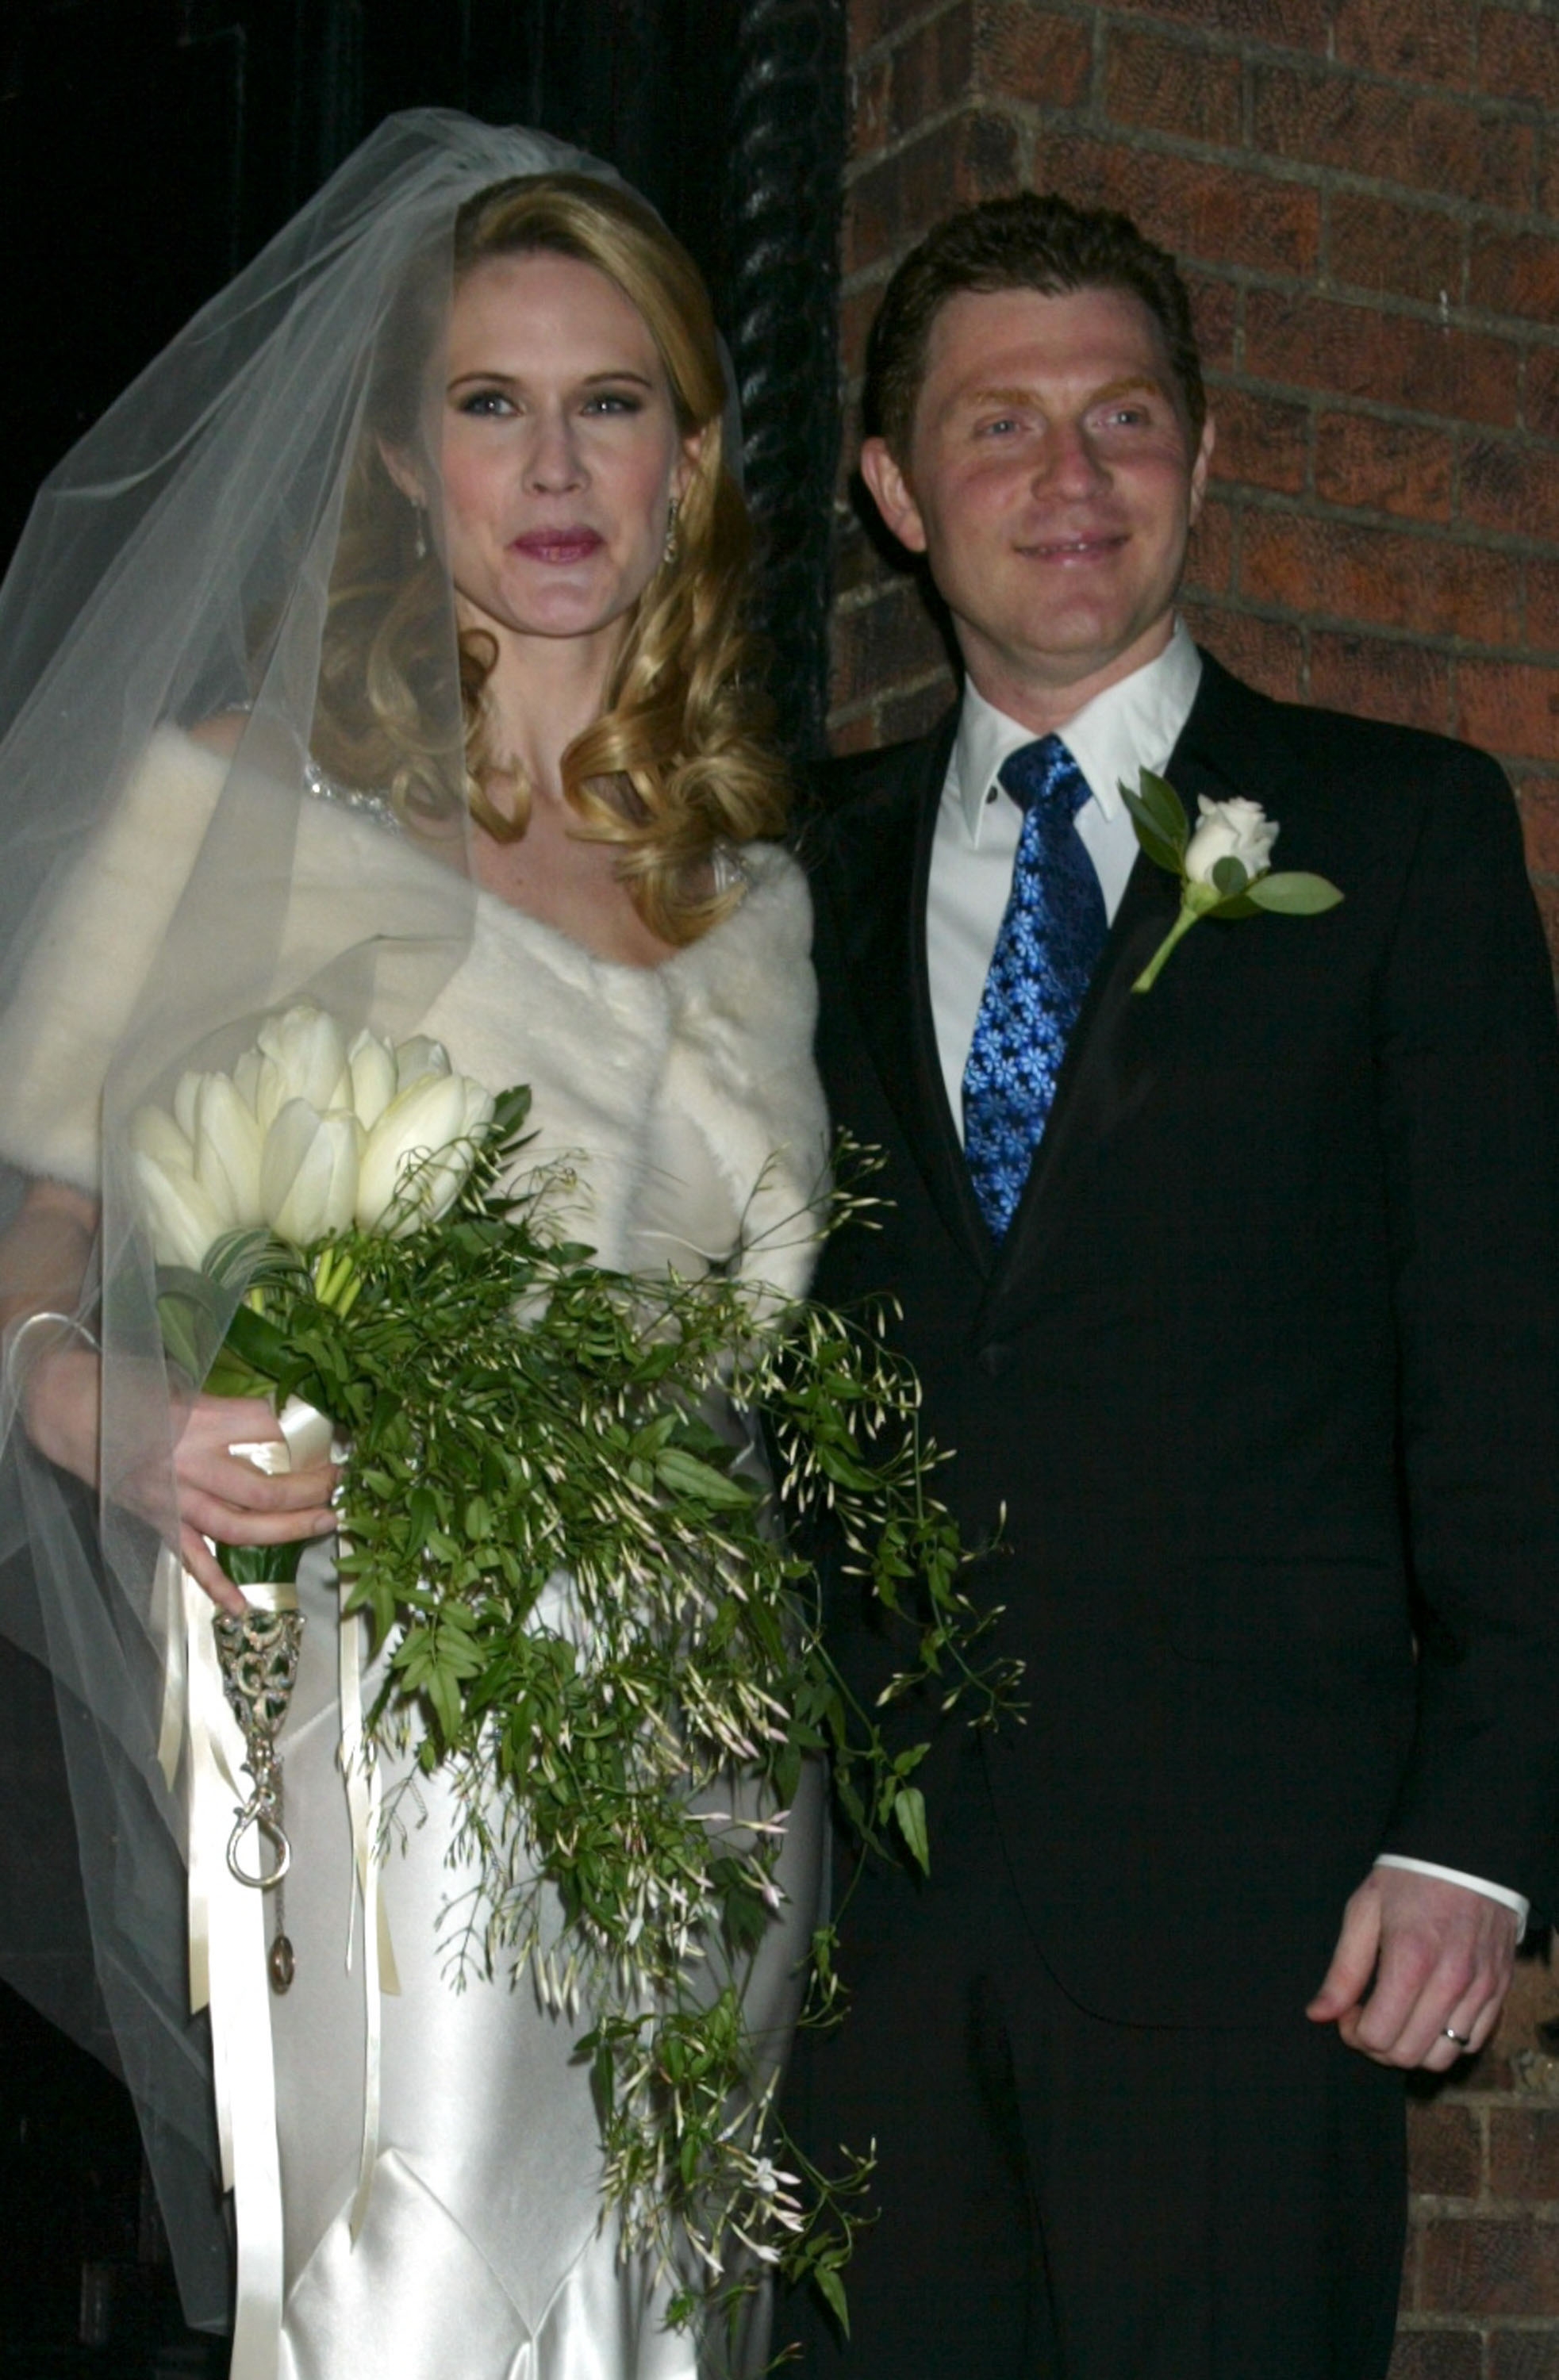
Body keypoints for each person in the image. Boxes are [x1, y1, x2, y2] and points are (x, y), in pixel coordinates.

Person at [0, 112, 826, 2379]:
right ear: (392, 457)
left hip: (706, 1712)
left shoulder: (756, 896)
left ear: (689, 453)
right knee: (420, 2272)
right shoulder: (243, 799)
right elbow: (34, 1219)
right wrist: (106, 1406)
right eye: (490, 403)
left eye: (613, 401)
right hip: (383, 1656)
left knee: (657, 2292)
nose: (553, 468)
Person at [783, 190, 1559, 2380]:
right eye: (1002, 426)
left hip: (1264, 1933)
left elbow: (1513, 1366)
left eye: (1124, 418)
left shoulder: (1400, 835)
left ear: (1204, 464)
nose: (1071, 475)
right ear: (899, 496)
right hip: (861, 1941)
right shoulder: (774, 875)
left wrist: (1482, 1839)